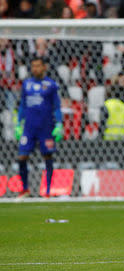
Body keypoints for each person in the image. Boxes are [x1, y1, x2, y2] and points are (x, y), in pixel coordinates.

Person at [16, 56, 63, 198]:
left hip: (45, 127)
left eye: (38, 66)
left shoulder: (51, 85)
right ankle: (25, 189)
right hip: (29, 128)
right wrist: (18, 123)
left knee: (47, 156)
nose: (35, 69)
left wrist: (59, 123)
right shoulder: (26, 84)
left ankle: (48, 190)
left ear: (44, 67)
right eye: (33, 66)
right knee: (22, 157)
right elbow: (23, 105)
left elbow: (56, 107)